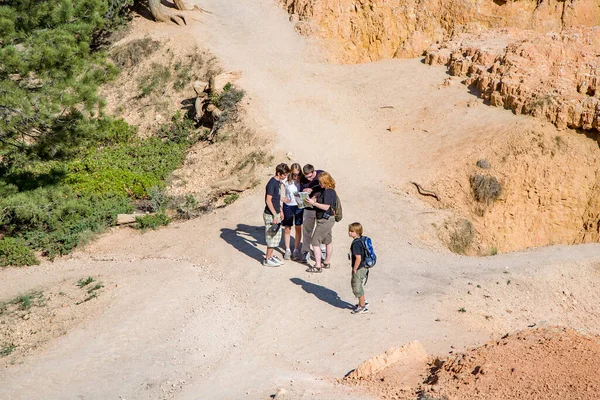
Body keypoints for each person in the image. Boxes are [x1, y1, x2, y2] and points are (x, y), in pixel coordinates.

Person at [305, 172, 337, 273]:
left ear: (326, 181)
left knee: (315, 242)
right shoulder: (328, 190)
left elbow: (326, 206)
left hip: (325, 220)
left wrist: (314, 203)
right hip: (328, 219)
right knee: (328, 241)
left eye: (321, 182)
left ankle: (318, 266)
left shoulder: (328, 192)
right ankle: (326, 262)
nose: (320, 184)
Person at [263, 163, 290, 267]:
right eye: (284, 175)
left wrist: (281, 210)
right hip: (270, 214)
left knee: (275, 238)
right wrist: (274, 215)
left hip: (276, 212)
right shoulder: (272, 183)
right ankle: (267, 259)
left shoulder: (278, 182)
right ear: (279, 173)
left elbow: (276, 198)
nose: (286, 177)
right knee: (271, 237)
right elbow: (268, 201)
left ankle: (270, 256)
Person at [299, 164, 324, 263]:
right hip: (308, 208)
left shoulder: (322, 175)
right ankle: (305, 251)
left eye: (310, 176)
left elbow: (329, 188)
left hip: (320, 208)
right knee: (306, 231)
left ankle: (322, 251)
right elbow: (299, 190)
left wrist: (316, 195)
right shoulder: (303, 179)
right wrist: (303, 190)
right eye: (306, 177)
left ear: (314, 172)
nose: (309, 179)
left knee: (321, 232)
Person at [282, 163, 304, 260]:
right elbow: (275, 186)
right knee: (287, 228)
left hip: (299, 206)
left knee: (298, 227)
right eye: (294, 174)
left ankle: (296, 249)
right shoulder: (285, 179)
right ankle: (287, 249)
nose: (296, 176)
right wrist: (281, 198)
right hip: (288, 206)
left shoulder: (302, 180)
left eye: (298, 174)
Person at [348, 222, 369, 314]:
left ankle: (362, 306)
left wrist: (355, 269)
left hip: (359, 267)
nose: (349, 233)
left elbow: (358, 258)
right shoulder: (361, 240)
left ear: (357, 232)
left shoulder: (356, 244)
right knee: (359, 284)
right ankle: (363, 301)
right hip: (364, 266)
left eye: (352, 231)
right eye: (349, 231)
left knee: (356, 286)